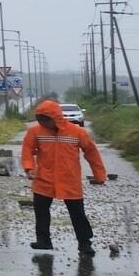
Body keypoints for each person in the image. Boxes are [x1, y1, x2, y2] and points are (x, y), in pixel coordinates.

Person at [21, 99, 107, 255]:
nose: (43, 122)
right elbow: (27, 149)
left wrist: (99, 175)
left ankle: (85, 243)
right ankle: (43, 241)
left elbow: (91, 152)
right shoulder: (35, 132)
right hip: (44, 179)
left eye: (45, 119)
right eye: (40, 119)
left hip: (70, 180)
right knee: (41, 212)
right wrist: (29, 168)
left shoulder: (77, 132)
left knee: (77, 214)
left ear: (55, 118)